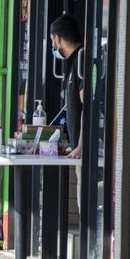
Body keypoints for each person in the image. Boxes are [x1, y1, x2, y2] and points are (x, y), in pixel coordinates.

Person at [50, 14, 84, 209]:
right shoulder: (73, 62)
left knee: (85, 201)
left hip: (86, 150)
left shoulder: (82, 59)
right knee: (82, 201)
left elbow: (89, 105)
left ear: (58, 38)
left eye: (53, 40)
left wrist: (81, 145)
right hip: (78, 148)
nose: (54, 46)